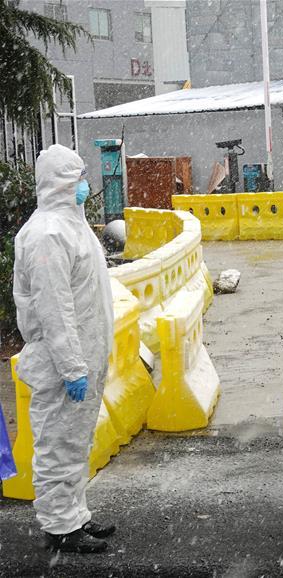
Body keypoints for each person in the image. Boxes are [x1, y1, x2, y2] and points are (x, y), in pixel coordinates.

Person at [13, 145, 116, 552]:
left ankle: (76, 516)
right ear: (62, 183)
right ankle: (59, 529)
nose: (85, 185)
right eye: (78, 178)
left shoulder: (71, 225)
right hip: (62, 364)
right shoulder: (45, 235)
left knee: (75, 442)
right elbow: (54, 309)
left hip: (83, 355)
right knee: (57, 445)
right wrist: (72, 367)